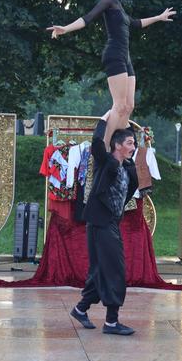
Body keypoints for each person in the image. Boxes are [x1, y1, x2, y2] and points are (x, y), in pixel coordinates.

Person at [47, 0, 176, 150]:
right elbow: (88, 18)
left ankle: (119, 144)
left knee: (129, 106)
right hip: (114, 54)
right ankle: (105, 147)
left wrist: (159, 17)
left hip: (126, 58)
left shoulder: (119, 7)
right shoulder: (108, 0)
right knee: (119, 104)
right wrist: (65, 29)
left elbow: (136, 23)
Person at [70, 112, 138, 335]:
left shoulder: (128, 168)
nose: (133, 146)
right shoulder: (106, 162)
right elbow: (97, 143)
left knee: (101, 270)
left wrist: (126, 116)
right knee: (114, 269)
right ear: (117, 146)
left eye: (134, 142)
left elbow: (127, 192)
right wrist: (105, 118)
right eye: (129, 143)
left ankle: (81, 308)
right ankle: (111, 322)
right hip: (100, 223)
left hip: (110, 222)